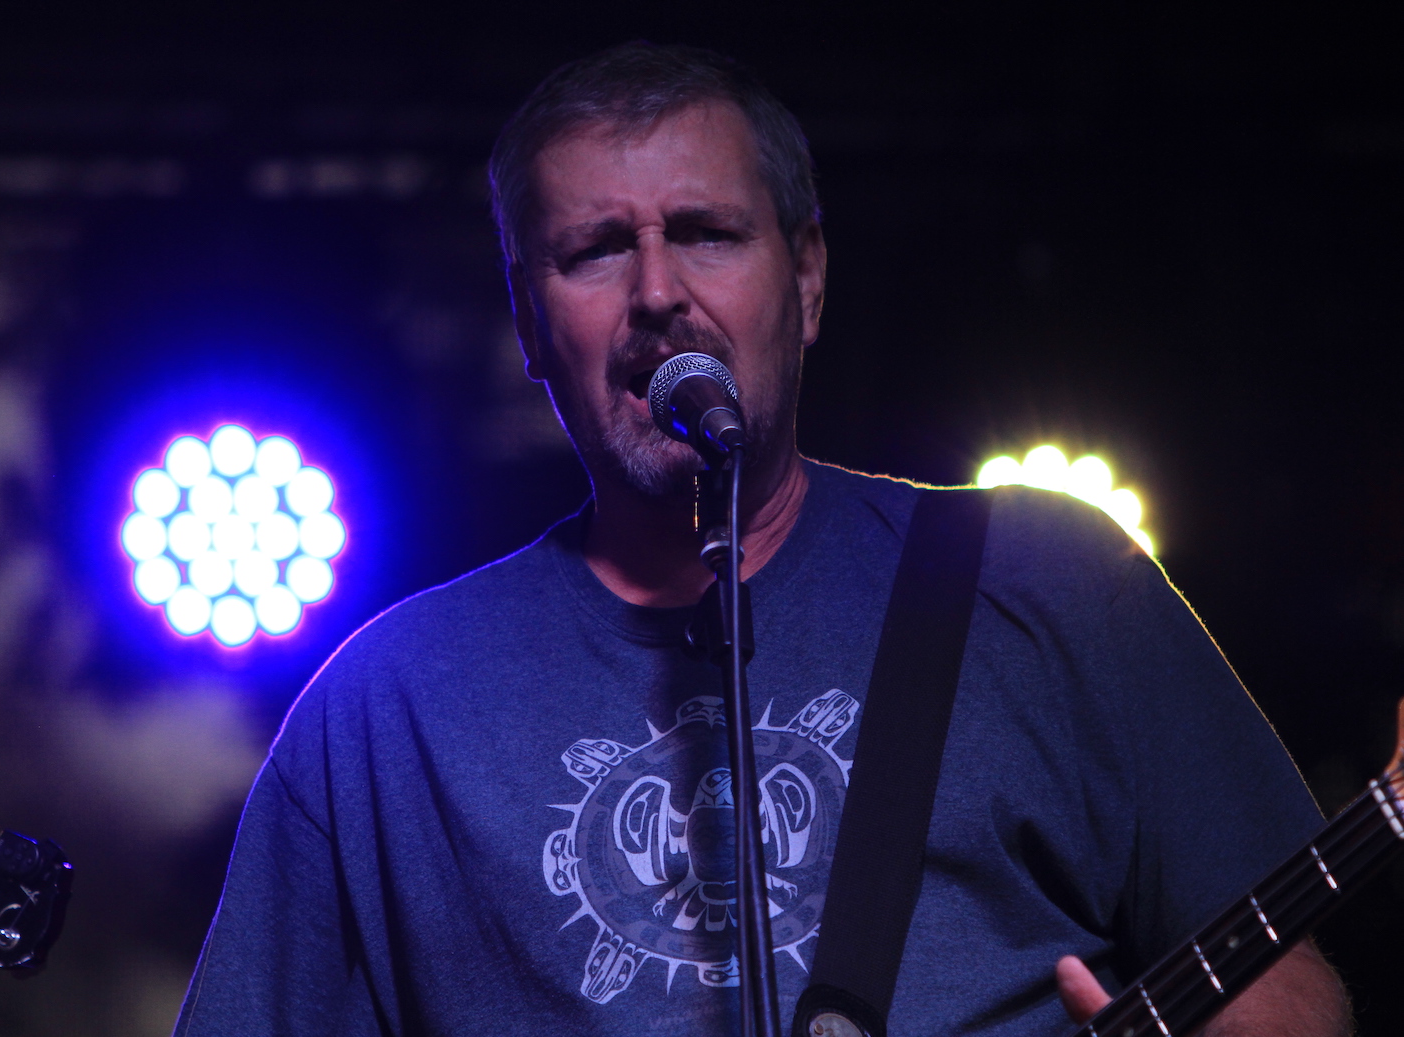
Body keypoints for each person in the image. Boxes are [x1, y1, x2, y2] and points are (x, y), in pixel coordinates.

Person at [174, 43, 1349, 1036]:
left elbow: (1293, 986)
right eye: (595, 249)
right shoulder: (384, 711)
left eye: (707, 232)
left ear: (809, 280)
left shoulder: (1053, 581)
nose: (656, 292)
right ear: (528, 321)